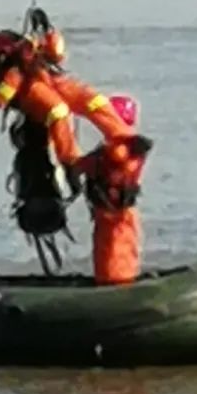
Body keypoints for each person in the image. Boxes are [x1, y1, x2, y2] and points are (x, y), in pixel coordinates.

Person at [0, 11, 135, 174]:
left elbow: (55, 55)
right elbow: (2, 97)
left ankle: (124, 138)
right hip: (31, 93)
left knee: (95, 100)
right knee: (58, 111)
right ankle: (71, 162)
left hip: (49, 78)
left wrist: (47, 32)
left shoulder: (11, 40)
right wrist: (16, 68)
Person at [77, 97, 153, 285]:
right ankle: (110, 282)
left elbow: (90, 164)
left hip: (117, 215)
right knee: (109, 253)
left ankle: (117, 286)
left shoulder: (122, 151)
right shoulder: (120, 149)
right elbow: (85, 165)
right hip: (108, 214)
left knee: (117, 254)